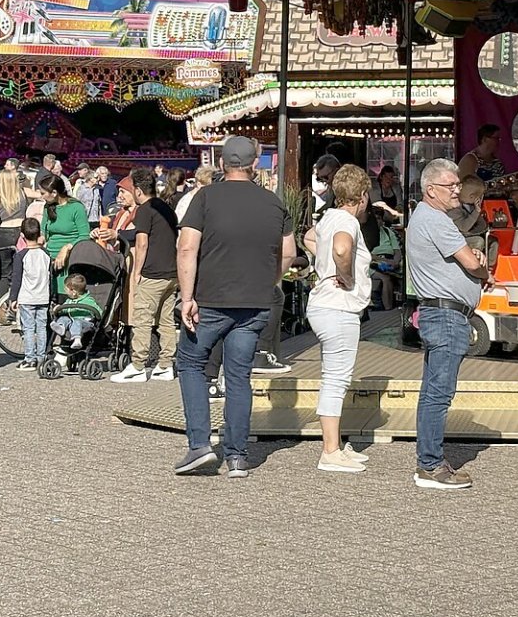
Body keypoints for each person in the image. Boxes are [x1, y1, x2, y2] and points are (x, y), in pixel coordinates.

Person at [173, 136, 296, 478]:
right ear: (254, 164)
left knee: (191, 364)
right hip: (255, 302)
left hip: (211, 299)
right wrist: (268, 280)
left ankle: (200, 445)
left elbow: (187, 249)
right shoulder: (273, 203)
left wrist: (187, 297)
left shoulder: (206, 197)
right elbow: (288, 252)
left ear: (223, 164)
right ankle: (237, 456)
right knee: (239, 375)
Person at [407, 157, 490, 490]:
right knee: (438, 394)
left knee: (433, 392)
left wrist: (474, 262)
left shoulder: (425, 217)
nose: (458, 190)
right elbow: (471, 262)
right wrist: (482, 268)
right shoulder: (436, 220)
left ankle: (429, 461)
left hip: (439, 313)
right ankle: (430, 465)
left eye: (457, 184)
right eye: (451, 185)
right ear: (431, 189)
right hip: (445, 315)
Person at [305, 164, 375, 474]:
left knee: (332, 376)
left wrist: (323, 267)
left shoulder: (328, 217)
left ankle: (334, 446)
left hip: (323, 305)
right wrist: (344, 275)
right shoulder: (347, 221)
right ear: (361, 196)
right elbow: (342, 247)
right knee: (336, 380)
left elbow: (309, 237)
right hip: (340, 308)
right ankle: (330, 451)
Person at [114, 167, 180, 383]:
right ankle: (166, 364)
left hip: (152, 272)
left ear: (139, 190)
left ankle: (138, 365)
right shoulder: (166, 208)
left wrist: (137, 272)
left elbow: (142, 242)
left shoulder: (144, 209)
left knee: (142, 319)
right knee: (166, 320)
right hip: (171, 273)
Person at [8, 218, 51, 369]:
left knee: (28, 328)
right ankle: (42, 356)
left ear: (22, 235)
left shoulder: (21, 256)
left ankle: (29, 358)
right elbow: (49, 276)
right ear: (39, 234)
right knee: (41, 327)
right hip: (43, 296)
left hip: (27, 297)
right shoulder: (46, 254)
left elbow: (17, 278)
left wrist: (13, 298)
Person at [40, 173, 89, 292]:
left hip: (70, 259)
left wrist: (66, 248)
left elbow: (85, 235)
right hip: (50, 258)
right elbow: (43, 232)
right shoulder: (48, 207)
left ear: (54, 193)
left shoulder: (76, 208)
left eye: (43, 193)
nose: (41, 197)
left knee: (64, 294)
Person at [0, 168, 26, 308]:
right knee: (21, 270)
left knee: (3, 273)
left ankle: (1, 307)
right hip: (20, 231)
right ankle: (19, 303)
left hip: (4, 233)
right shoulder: (22, 194)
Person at [51, 273, 101, 350]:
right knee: (64, 318)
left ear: (73, 292)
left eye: (66, 290)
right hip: (72, 320)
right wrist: (58, 308)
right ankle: (61, 327)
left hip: (86, 323)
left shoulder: (88, 301)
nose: (65, 291)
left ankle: (77, 339)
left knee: (77, 322)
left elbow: (98, 310)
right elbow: (64, 309)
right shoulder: (69, 301)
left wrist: (99, 315)